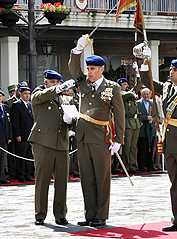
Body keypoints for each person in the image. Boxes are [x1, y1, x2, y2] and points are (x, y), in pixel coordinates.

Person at [69, 36, 125, 228]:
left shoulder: (112, 87)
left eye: (93, 69)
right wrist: (77, 49)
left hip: (102, 137)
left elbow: (119, 115)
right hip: (83, 135)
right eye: (88, 68)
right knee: (86, 177)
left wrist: (119, 139)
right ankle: (90, 213)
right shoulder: (83, 83)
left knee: (101, 177)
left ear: (101, 69)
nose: (89, 72)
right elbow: (73, 69)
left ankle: (101, 214)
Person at [140, 58, 177, 233]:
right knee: (175, 183)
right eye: (171, 69)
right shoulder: (167, 87)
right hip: (170, 142)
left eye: (175, 70)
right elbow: (147, 82)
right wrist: (145, 62)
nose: (171, 72)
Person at [28, 70, 75, 226]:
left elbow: (73, 115)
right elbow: (39, 97)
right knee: (42, 180)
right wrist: (57, 89)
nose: (56, 85)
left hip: (61, 142)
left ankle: (60, 214)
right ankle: (40, 214)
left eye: (58, 82)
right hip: (43, 142)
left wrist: (71, 122)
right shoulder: (39, 93)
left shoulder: (65, 99)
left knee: (62, 181)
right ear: (46, 82)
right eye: (52, 82)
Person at [117, 68, 142, 174]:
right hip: (127, 123)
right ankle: (125, 166)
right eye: (124, 84)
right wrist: (133, 94)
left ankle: (132, 166)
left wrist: (137, 73)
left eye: (127, 84)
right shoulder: (119, 94)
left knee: (133, 146)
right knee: (126, 147)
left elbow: (139, 86)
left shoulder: (129, 93)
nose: (127, 86)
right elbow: (129, 95)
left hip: (136, 122)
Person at [11, 85, 34, 182]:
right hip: (22, 134)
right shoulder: (17, 105)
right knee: (21, 156)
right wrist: (17, 134)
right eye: (25, 94)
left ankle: (28, 174)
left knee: (29, 156)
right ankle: (21, 175)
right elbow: (15, 121)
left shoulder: (31, 105)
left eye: (29, 94)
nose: (27, 96)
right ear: (20, 94)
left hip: (30, 134)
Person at [137, 87, 156, 172]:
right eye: (144, 94)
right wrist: (146, 118)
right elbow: (137, 115)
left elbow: (157, 116)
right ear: (141, 95)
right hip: (142, 129)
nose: (146, 96)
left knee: (151, 149)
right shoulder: (138, 103)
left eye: (147, 94)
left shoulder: (153, 103)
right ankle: (141, 167)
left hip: (151, 130)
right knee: (142, 149)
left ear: (150, 94)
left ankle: (150, 166)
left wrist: (153, 119)